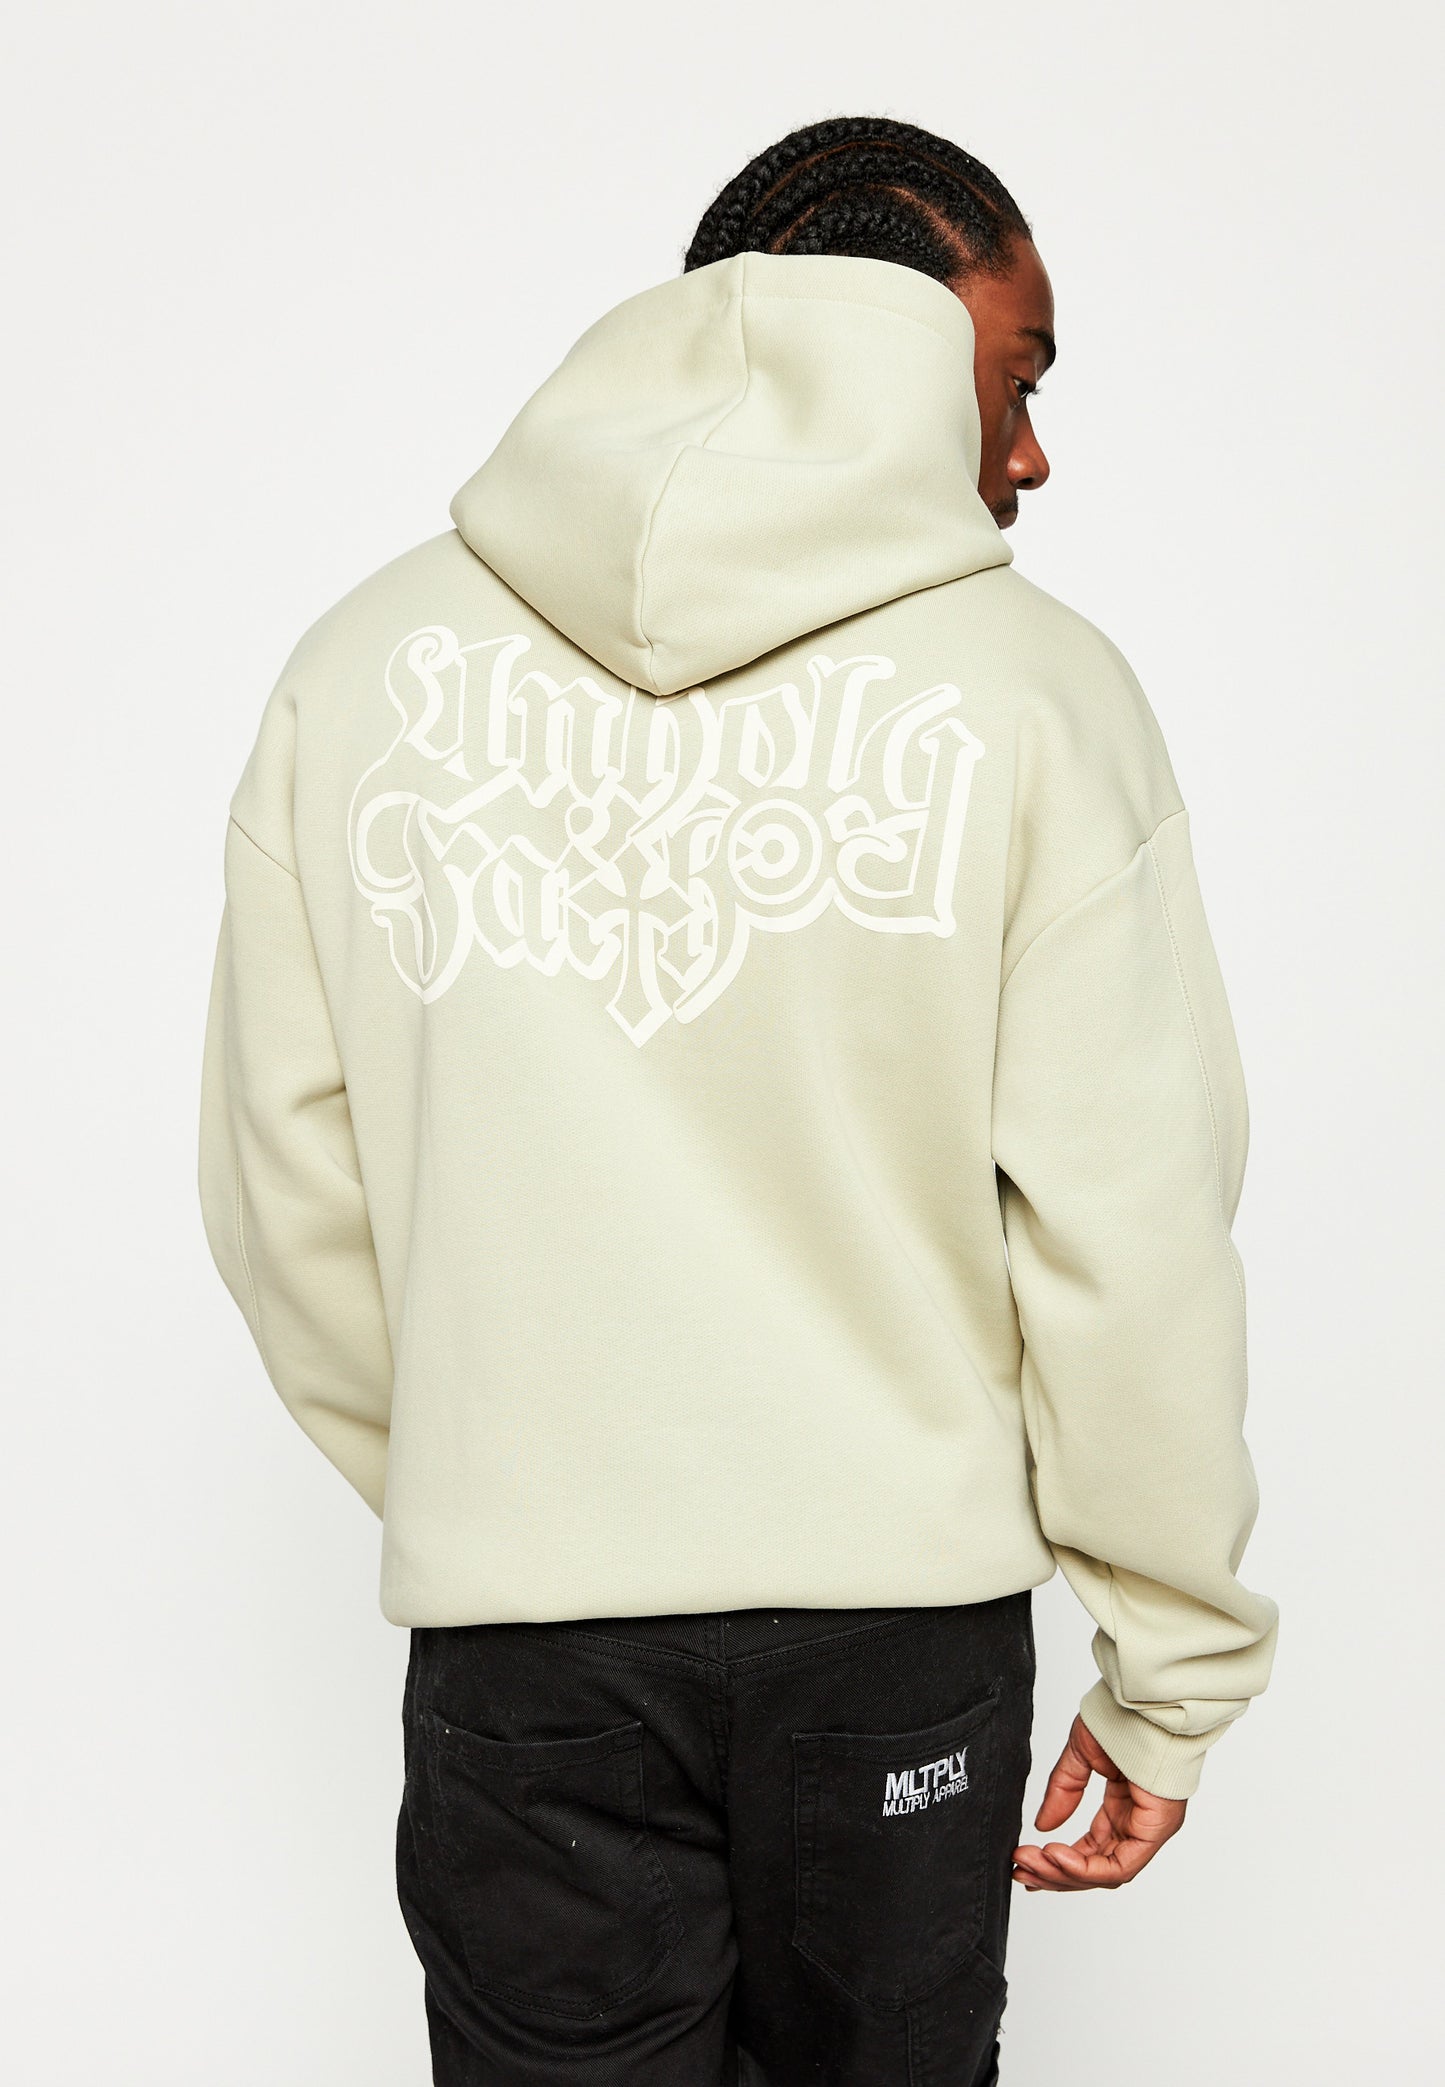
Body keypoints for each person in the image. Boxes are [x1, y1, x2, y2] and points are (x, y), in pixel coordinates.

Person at [198, 115, 1278, 2085]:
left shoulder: (356, 675)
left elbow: (289, 1190)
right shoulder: (1037, 695)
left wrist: (504, 1476)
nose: (1029, 452)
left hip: (528, 1653)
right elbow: (1124, 1226)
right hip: (897, 1637)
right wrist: (1170, 1666)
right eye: (1014, 381)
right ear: (891, 349)